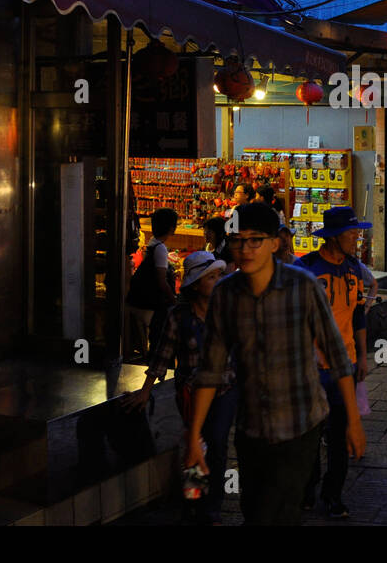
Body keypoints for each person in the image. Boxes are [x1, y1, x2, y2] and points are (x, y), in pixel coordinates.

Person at [185, 203, 365, 526]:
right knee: (253, 509)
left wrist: (353, 419)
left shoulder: (303, 286)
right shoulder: (225, 295)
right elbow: (209, 370)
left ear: (275, 243)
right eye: (238, 240)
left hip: (300, 424)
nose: (245, 249)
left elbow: (338, 356)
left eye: (255, 240)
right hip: (251, 427)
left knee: (278, 510)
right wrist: (194, 435)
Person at [129, 250, 232, 524]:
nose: (217, 281)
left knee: (218, 446)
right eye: (212, 277)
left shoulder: (226, 313)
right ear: (196, 285)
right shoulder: (178, 316)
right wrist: (145, 390)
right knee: (194, 445)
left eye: (219, 276)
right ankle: (194, 502)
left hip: (223, 393)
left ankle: (211, 508)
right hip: (190, 394)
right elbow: (162, 356)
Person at [295, 206, 373, 518]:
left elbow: (357, 316)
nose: (356, 239)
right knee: (312, 435)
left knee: (340, 435)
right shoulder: (307, 270)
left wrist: (364, 356)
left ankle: (333, 495)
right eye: (351, 234)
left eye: (356, 233)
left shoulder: (354, 268)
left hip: (347, 365)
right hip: (312, 368)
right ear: (333, 238)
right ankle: (307, 490)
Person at [125, 208, 177, 360]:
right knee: (159, 341)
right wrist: (174, 300)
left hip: (140, 300)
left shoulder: (154, 242)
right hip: (150, 303)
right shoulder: (160, 248)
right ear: (170, 227)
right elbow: (161, 281)